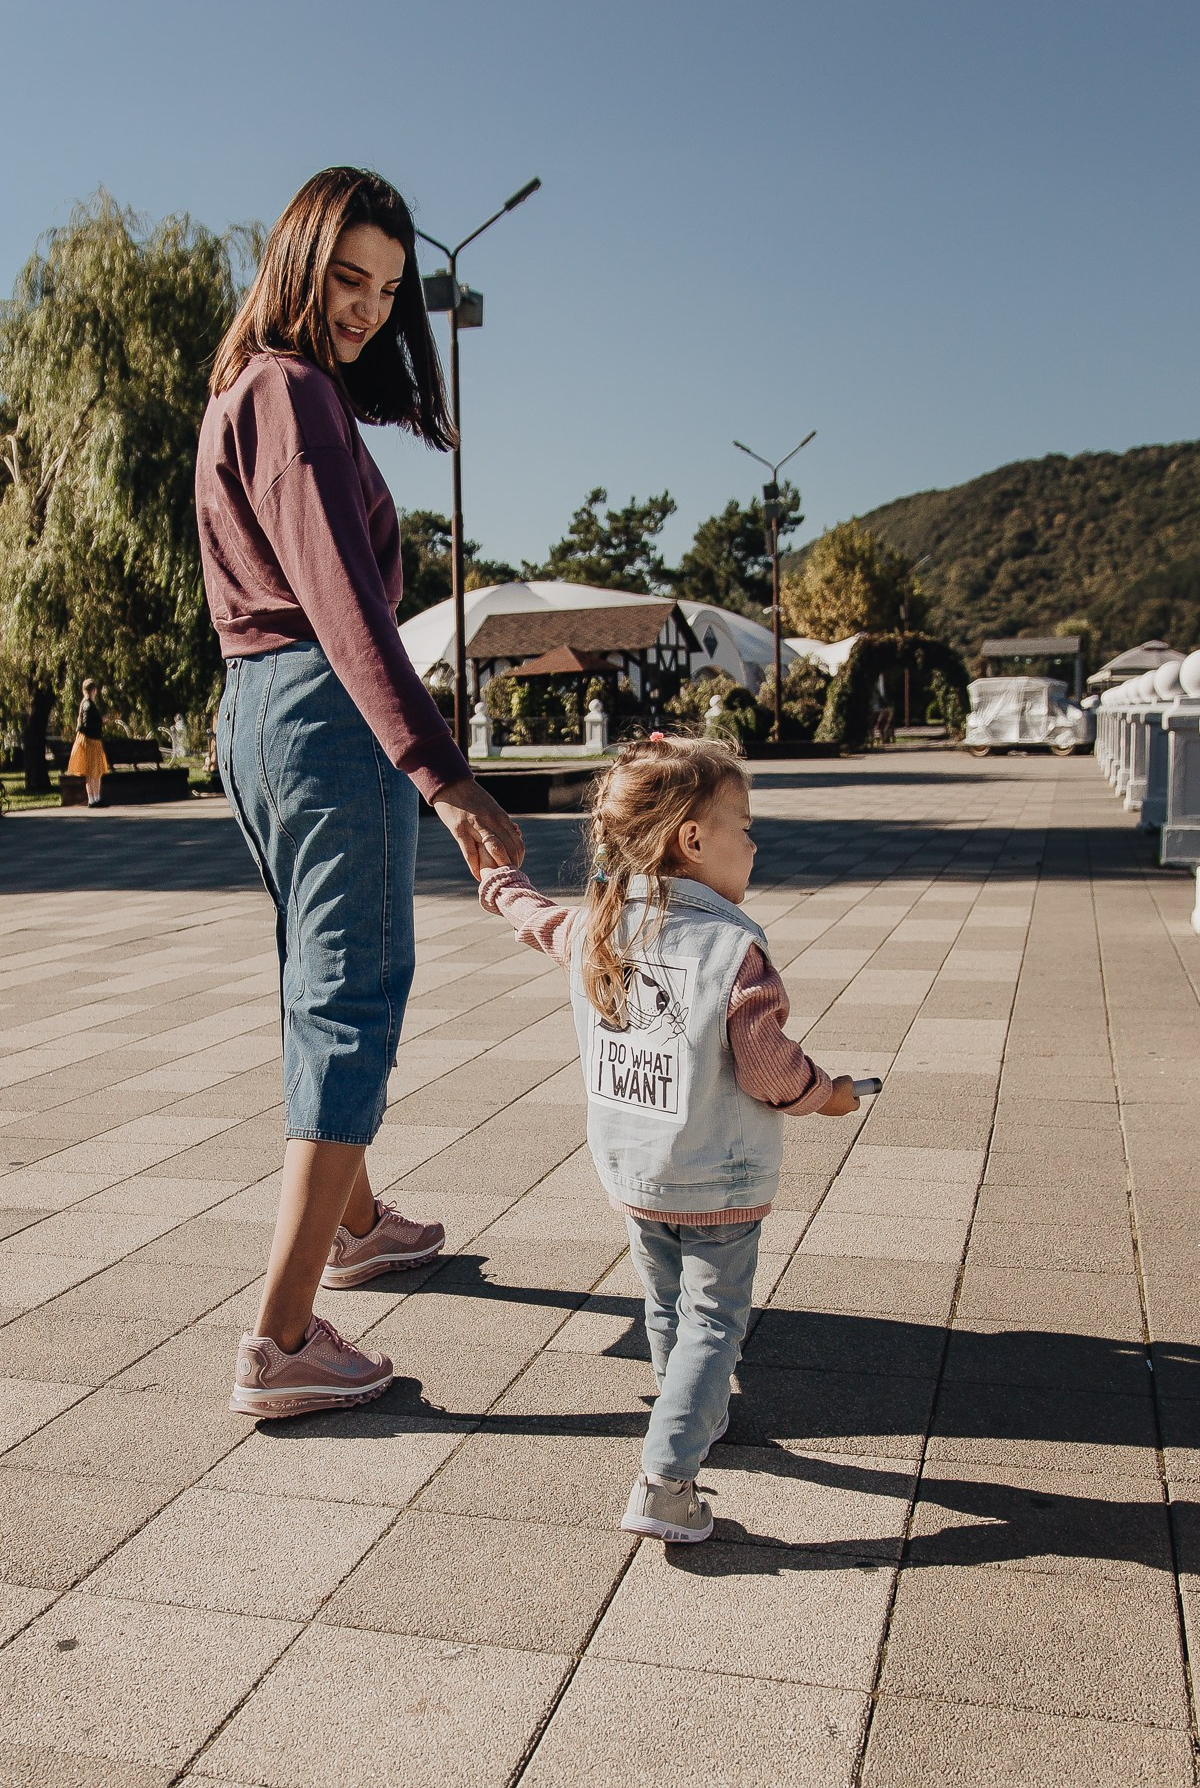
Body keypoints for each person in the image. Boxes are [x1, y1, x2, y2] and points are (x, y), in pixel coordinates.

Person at [195, 166, 523, 1420]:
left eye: (389, 290)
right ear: (297, 259)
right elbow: (345, 602)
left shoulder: (243, 389)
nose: (369, 308)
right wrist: (443, 775)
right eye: (347, 277)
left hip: (260, 711)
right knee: (354, 990)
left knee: (317, 978)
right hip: (323, 711)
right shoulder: (290, 393)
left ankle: (360, 1224)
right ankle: (281, 1341)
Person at [479, 734, 858, 1542]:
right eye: (745, 826)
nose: (755, 843)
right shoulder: (731, 948)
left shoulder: (598, 926)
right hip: (718, 1176)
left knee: (663, 1303)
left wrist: (499, 881)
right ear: (693, 838)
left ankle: (687, 1404)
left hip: (636, 1169)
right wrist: (828, 1097)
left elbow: (537, 921)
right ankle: (667, 1479)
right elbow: (767, 1068)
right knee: (716, 1320)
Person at [66, 679, 110, 806]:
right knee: (94, 771)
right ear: (93, 690)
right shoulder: (88, 704)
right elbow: (87, 724)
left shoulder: (85, 703)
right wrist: (101, 721)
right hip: (91, 740)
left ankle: (94, 798)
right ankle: (94, 799)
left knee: (93, 771)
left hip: (90, 740)